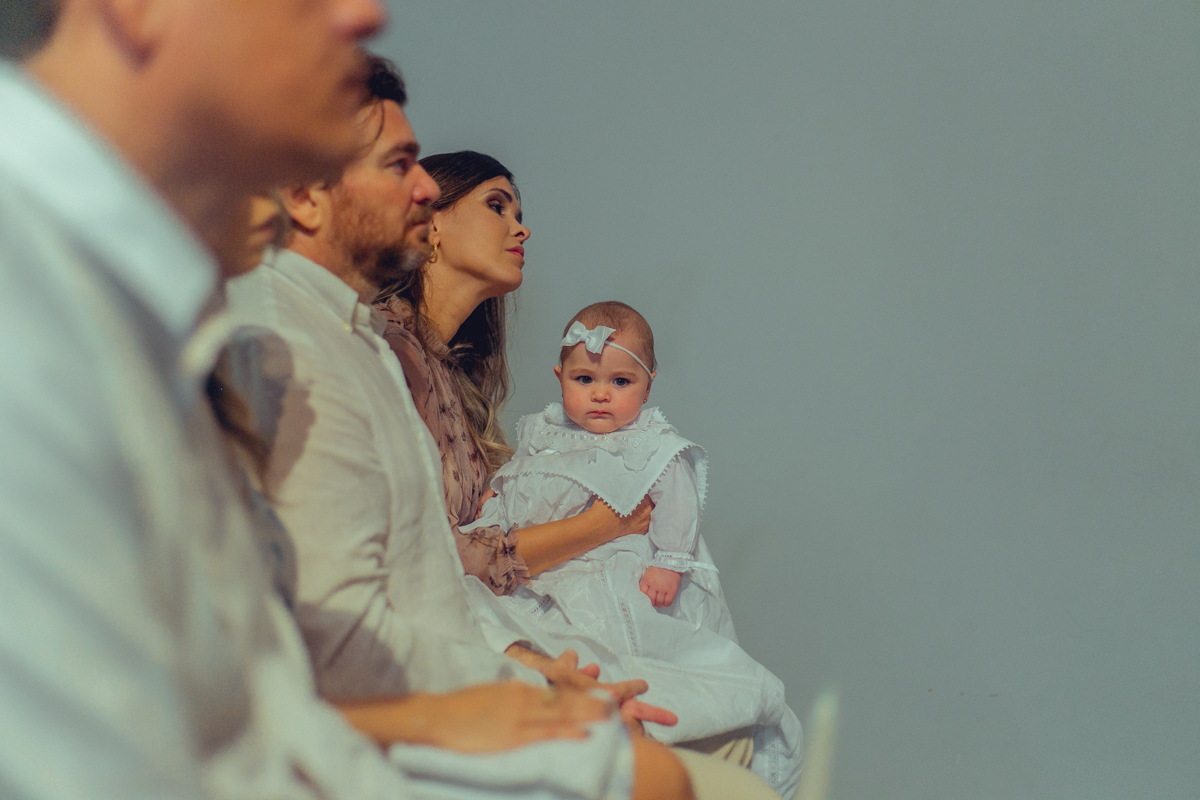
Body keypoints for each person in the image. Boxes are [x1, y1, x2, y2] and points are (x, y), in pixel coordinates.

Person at [0, 3, 689, 799]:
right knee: (650, 776)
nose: (364, 13)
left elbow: (253, 688)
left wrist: (500, 692)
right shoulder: (49, 299)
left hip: (346, 735)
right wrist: (476, 707)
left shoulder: (169, 315)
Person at [222, 55, 705, 800]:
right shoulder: (306, 345)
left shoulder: (375, 349)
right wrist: (489, 692)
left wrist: (527, 669)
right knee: (652, 771)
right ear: (305, 197)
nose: (420, 187)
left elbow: (425, 585)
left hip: (453, 649)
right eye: (399, 165)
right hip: (377, 700)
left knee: (664, 722)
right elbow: (347, 614)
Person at [462, 301, 804, 795]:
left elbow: (678, 503)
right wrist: (496, 497)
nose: (601, 394)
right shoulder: (544, 436)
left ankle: (638, 712)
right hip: (547, 573)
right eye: (584, 380)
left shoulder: (650, 445)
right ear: (559, 377)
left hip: (621, 570)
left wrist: (668, 560)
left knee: (630, 637)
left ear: (648, 384)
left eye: (621, 383)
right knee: (539, 635)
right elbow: (519, 481)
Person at [373, 153, 655, 596]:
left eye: (518, 214)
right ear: (430, 223)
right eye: (496, 206)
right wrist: (602, 525)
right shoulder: (382, 346)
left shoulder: (450, 377)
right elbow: (426, 555)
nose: (521, 229)